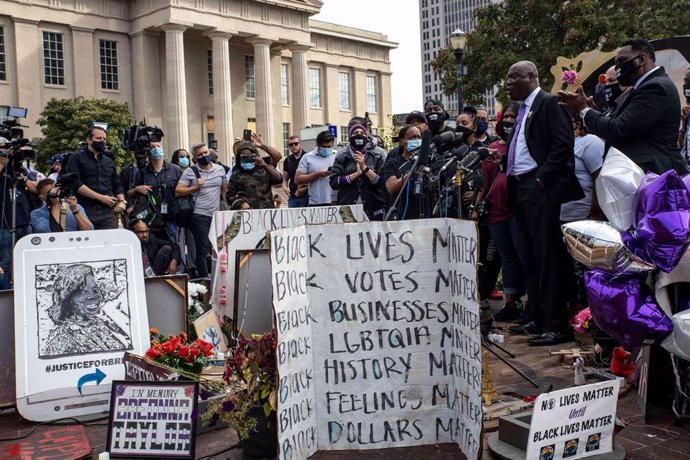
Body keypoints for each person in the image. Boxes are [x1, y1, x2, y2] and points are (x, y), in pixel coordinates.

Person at [503, 60, 583, 346]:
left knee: (548, 257)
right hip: (521, 188)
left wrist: (541, 179)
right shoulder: (523, 110)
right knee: (531, 258)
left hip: (539, 188)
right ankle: (537, 317)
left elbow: (563, 144)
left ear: (532, 76)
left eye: (514, 76)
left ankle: (556, 325)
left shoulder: (549, 103)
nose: (509, 82)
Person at [559, 38, 686, 175]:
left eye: (622, 61)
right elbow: (621, 126)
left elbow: (618, 130)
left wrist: (584, 110)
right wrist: (593, 110)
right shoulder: (642, 88)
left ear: (642, 59)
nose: (618, 67)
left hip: (655, 177)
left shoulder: (655, 87)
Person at [471, 103, 527, 322]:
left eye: (513, 117)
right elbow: (484, 185)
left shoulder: (522, 147)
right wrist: (476, 208)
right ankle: (511, 302)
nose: (509, 121)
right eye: (506, 117)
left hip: (516, 211)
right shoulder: (493, 148)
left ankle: (527, 301)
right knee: (507, 258)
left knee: (523, 256)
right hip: (495, 213)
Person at [42, 264, 131, 357]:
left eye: (95, 289)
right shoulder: (62, 340)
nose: (93, 296)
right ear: (67, 298)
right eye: (83, 292)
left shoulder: (99, 323)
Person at [175, 143, 227, 278]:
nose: (204, 156)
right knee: (203, 249)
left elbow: (224, 191)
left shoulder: (220, 169)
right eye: (200, 154)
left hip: (216, 215)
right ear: (195, 158)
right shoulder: (190, 171)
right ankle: (204, 280)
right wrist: (195, 187)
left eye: (205, 153)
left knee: (218, 247)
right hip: (198, 215)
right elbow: (178, 191)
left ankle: (220, 276)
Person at [65, 126, 126, 229]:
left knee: (110, 241)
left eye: (104, 139)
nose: (102, 141)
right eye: (98, 138)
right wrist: (101, 197)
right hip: (85, 209)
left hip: (108, 211)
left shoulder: (109, 161)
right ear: (89, 140)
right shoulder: (76, 158)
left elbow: (116, 184)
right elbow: (75, 183)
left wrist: (122, 202)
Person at [121, 142, 182, 241]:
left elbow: (182, 190)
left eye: (158, 146)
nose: (156, 148)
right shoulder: (142, 172)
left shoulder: (175, 169)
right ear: (148, 152)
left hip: (172, 216)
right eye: (153, 147)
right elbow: (129, 193)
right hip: (152, 218)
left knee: (175, 246)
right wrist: (137, 189)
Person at [0, 138, 38, 289]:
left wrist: (23, 178)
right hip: (5, 224)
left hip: (24, 221)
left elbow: (35, 189)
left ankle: (25, 289)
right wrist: (2, 162)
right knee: (5, 262)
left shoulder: (18, 169)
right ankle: (5, 292)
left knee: (28, 259)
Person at [330, 124, 386, 220]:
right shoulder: (341, 157)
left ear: (367, 137)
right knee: (348, 233)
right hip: (346, 208)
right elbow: (334, 183)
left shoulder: (377, 156)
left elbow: (382, 183)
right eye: (355, 133)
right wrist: (355, 174)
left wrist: (365, 168)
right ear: (349, 137)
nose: (359, 135)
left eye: (362, 133)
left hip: (374, 207)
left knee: (374, 234)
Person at [383, 125, 426, 220]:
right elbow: (391, 187)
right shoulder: (393, 163)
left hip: (423, 213)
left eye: (419, 137)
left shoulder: (427, 161)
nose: (416, 140)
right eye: (412, 138)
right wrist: (411, 174)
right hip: (401, 215)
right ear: (402, 142)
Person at [226, 141, 283, 209]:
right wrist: (240, 203)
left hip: (266, 212)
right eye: (243, 157)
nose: (247, 159)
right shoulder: (236, 175)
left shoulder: (265, 170)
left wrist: (264, 165)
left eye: (249, 156)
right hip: (247, 213)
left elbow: (279, 179)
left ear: (254, 156)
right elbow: (229, 196)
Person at [295, 130, 337, 207]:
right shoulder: (307, 157)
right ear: (317, 144)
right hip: (316, 202)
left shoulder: (337, 155)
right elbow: (297, 179)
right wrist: (317, 175)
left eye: (329, 147)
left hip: (335, 201)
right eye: (324, 147)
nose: (327, 149)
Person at [282, 135, 309, 208]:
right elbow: (285, 179)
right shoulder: (288, 160)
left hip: (307, 197)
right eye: (290, 145)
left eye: (296, 143)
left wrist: (305, 189)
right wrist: (285, 187)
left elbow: (314, 178)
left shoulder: (308, 157)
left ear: (300, 144)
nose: (293, 146)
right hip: (293, 197)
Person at [679, 68, 690, 163]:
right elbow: (682, 146)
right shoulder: (686, 112)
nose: (687, 85)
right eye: (686, 81)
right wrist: (684, 123)